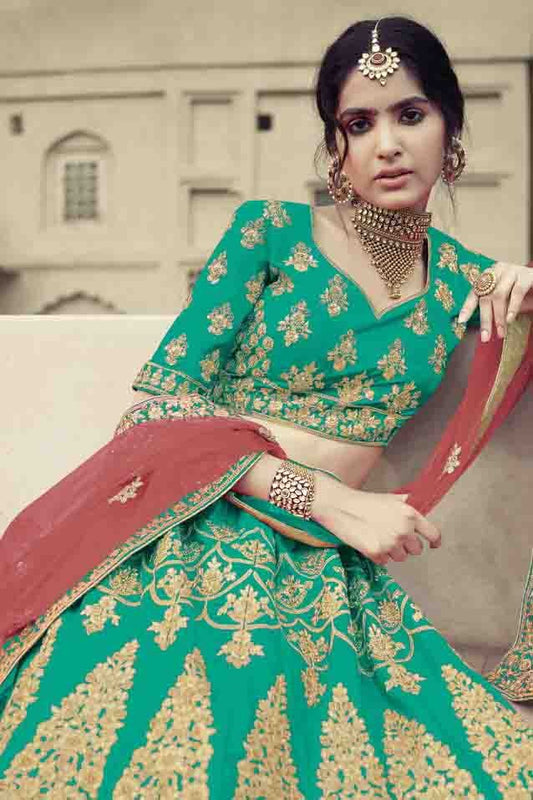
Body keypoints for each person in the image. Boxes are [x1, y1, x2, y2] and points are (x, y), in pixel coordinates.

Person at [0, 15, 532, 798]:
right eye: (359, 123)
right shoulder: (270, 234)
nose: (386, 144)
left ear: (450, 128)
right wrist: (323, 497)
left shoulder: (465, 281)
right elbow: (156, 411)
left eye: (410, 114)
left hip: (324, 568)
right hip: (195, 534)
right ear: (335, 148)